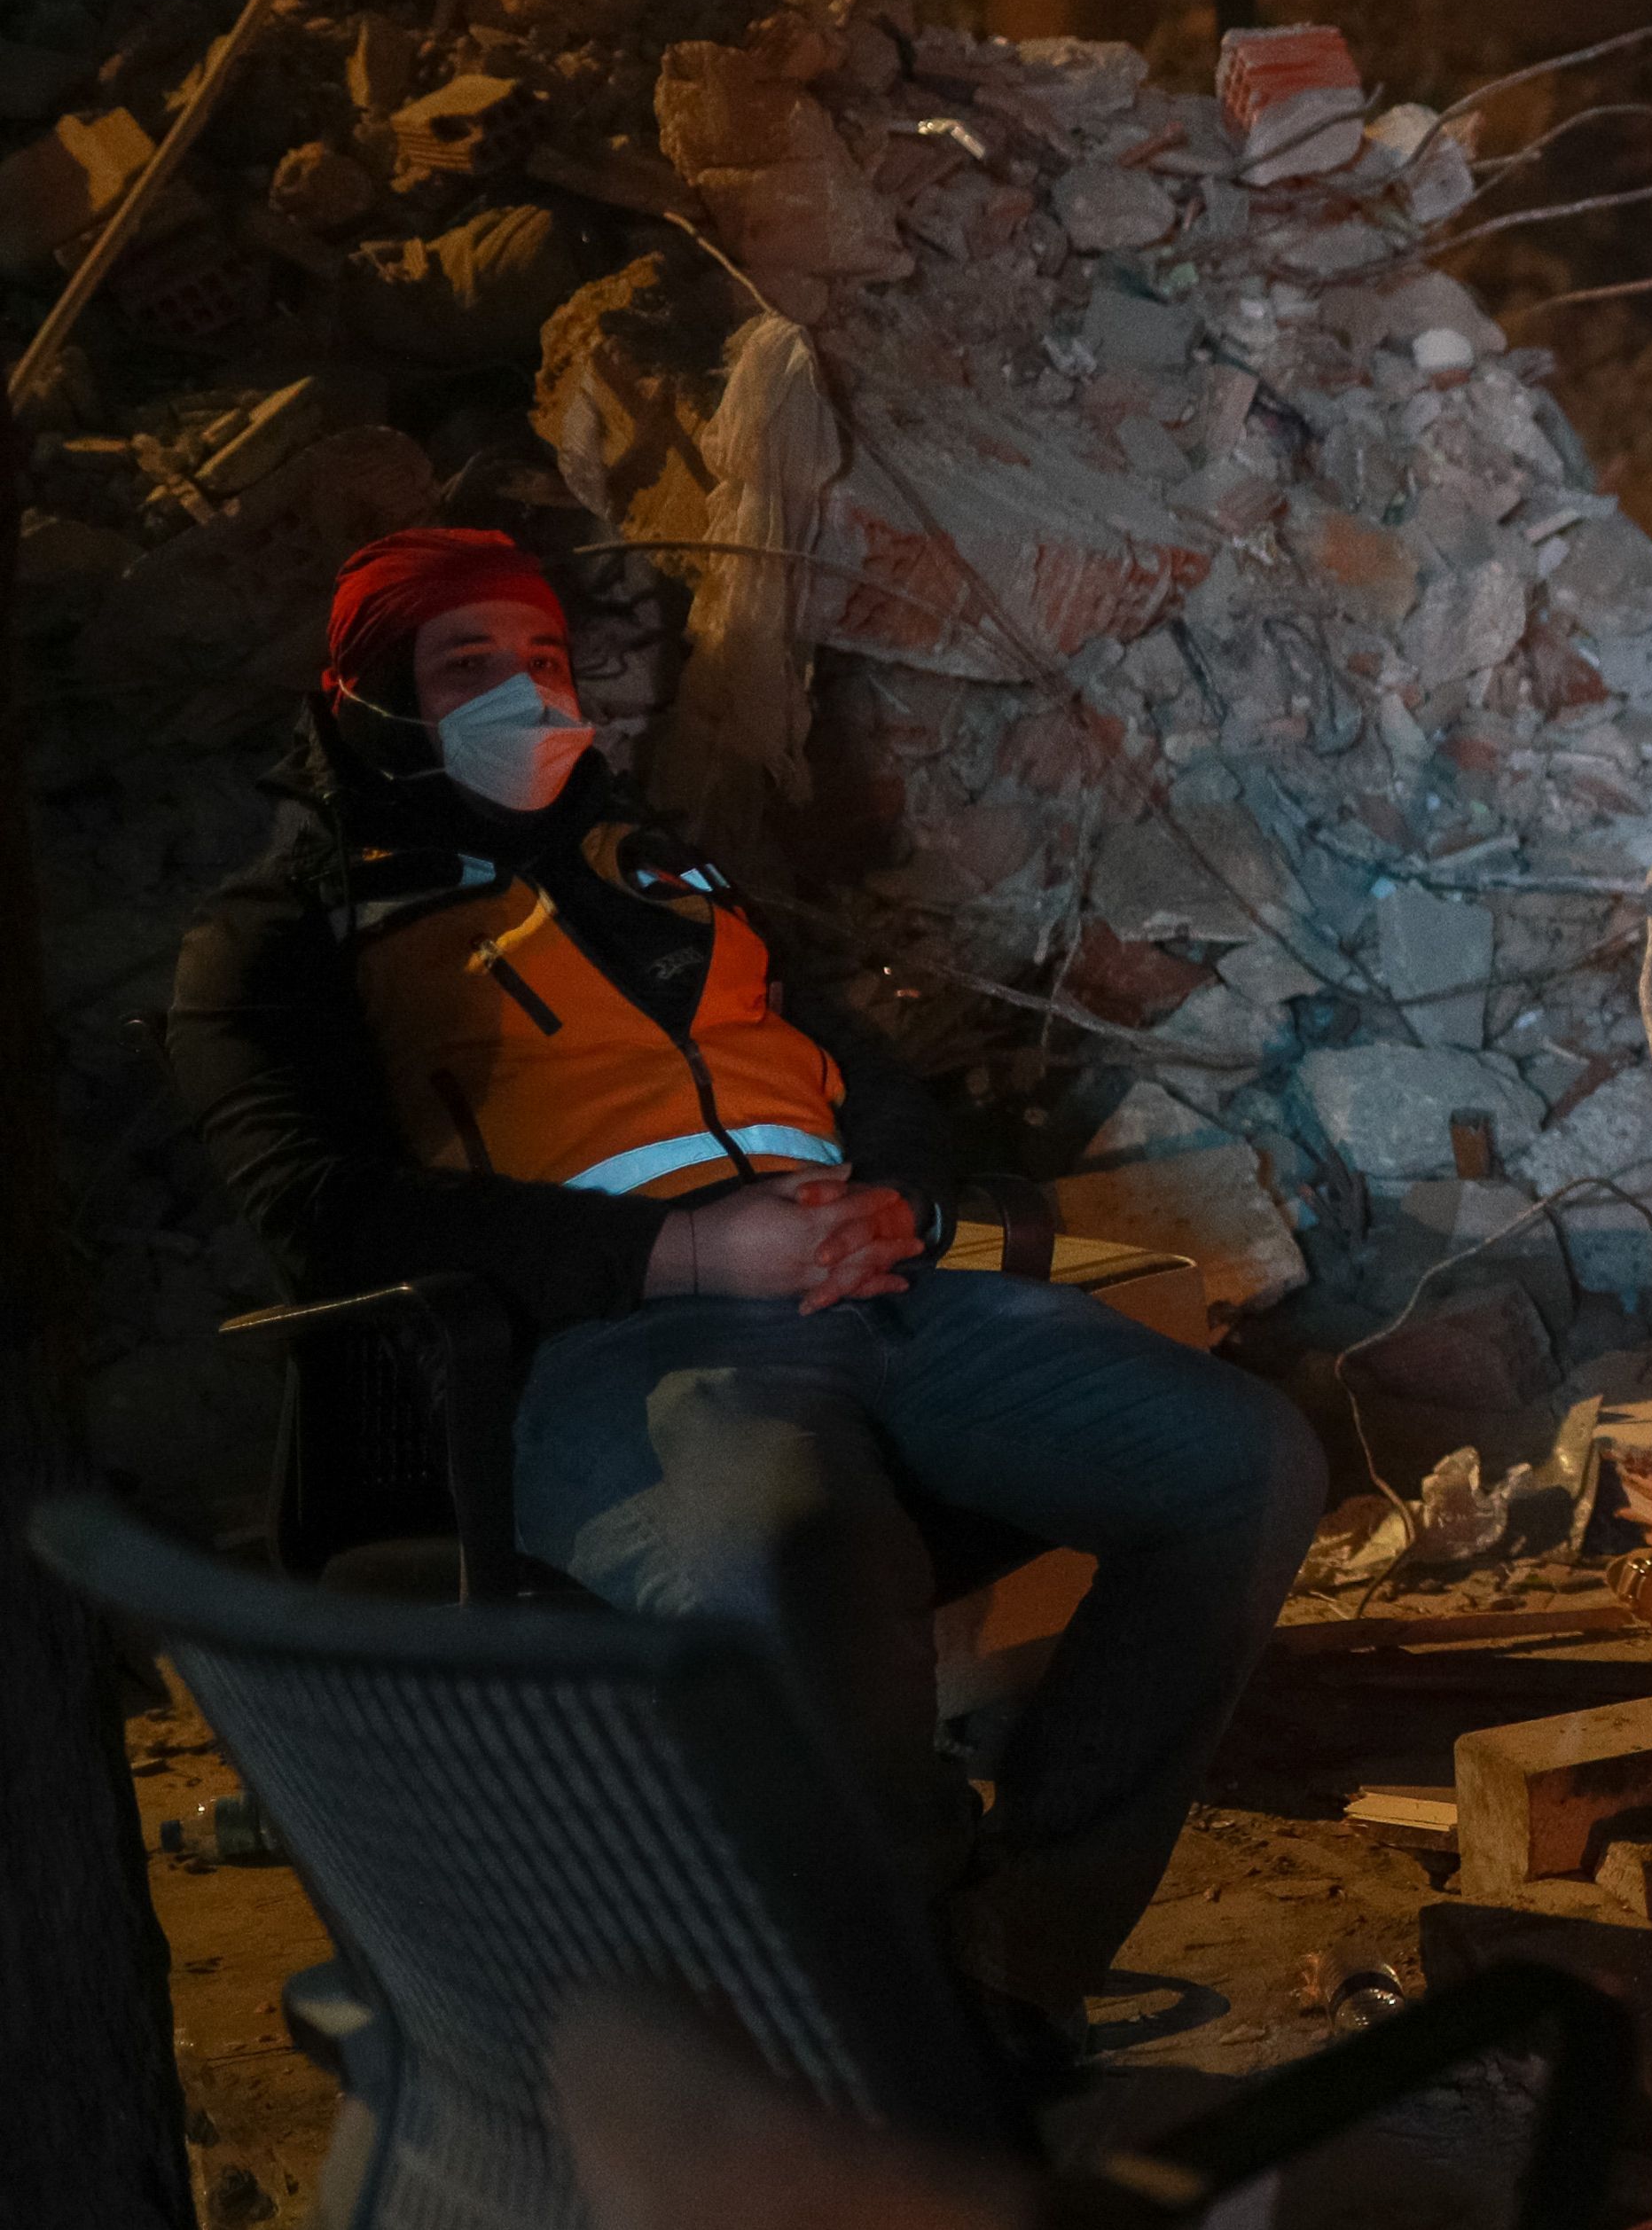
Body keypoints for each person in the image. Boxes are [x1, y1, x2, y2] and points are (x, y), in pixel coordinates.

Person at [164, 528, 1325, 2075]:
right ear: (364, 698)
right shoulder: (281, 935)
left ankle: (1008, 1966)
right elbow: (319, 1213)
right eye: (468, 667)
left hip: (876, 1289)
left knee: (1241, 1463)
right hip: (610, 1339)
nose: (525, 692)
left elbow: (865, 1074)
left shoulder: (670, 868)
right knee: (795, 1557)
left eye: (546, 663)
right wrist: (694, 1259)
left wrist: (886, 1203)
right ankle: (894, 2034)